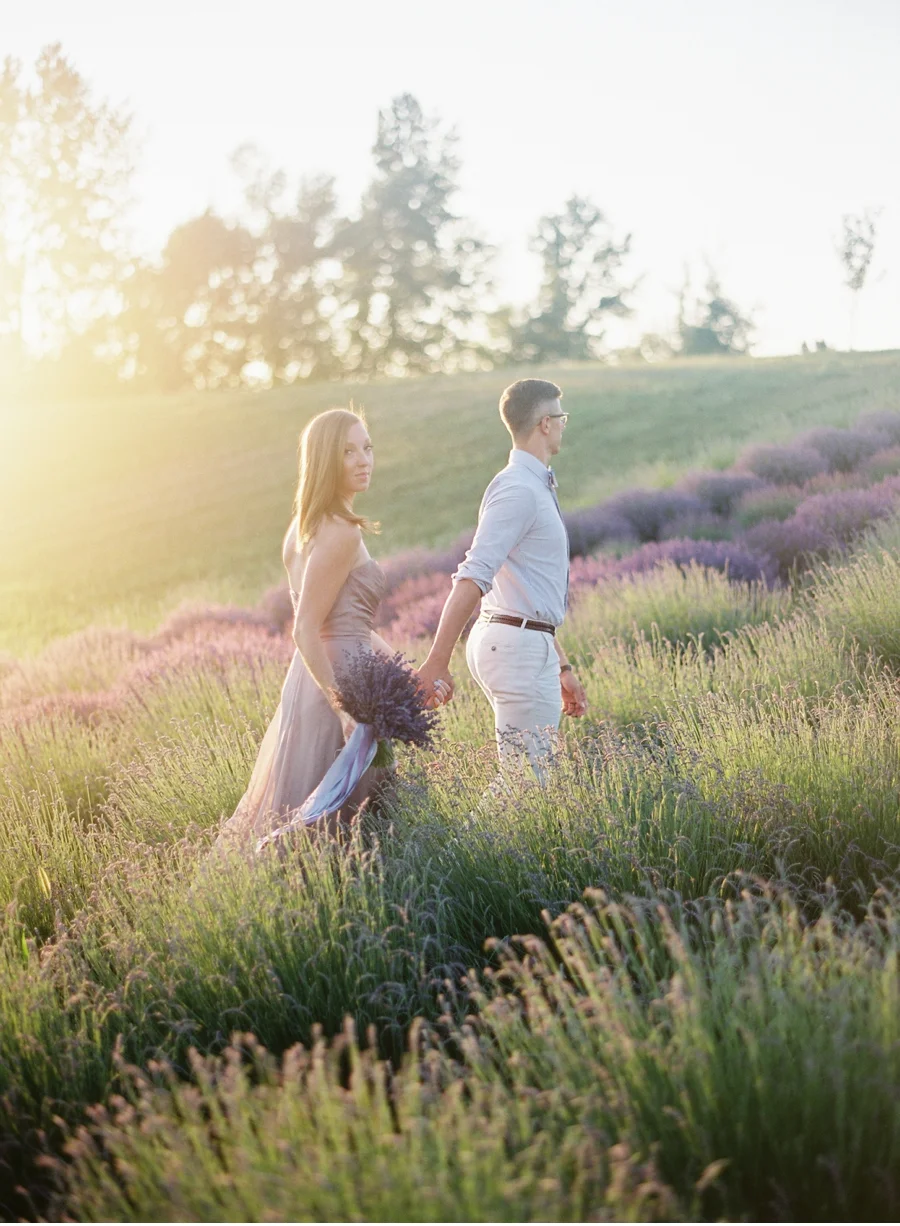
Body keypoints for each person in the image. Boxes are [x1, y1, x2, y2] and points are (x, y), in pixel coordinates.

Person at [214, 407, 449, 854]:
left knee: (316, 816)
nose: (364, 460)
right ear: (324, 460)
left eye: (367, 447)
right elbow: (305, 630)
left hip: (318, 679)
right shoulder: (341, 532)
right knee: (349, 823)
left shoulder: (303, 528)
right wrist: (343, 707)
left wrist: (406, 675)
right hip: (339, 687)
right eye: (348, 451)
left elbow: (350, 627)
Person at [417, 378, 587, 786]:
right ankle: (461, 853)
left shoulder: (531, 485)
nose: (565, 425)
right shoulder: (518, 489)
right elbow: (473, 575)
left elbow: (528, 588)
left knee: (528, 781)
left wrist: (562, 665)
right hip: (515, 646)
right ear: (545, 424)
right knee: (525, 785)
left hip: (524, 639)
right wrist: (436, 661)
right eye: (561, 418)